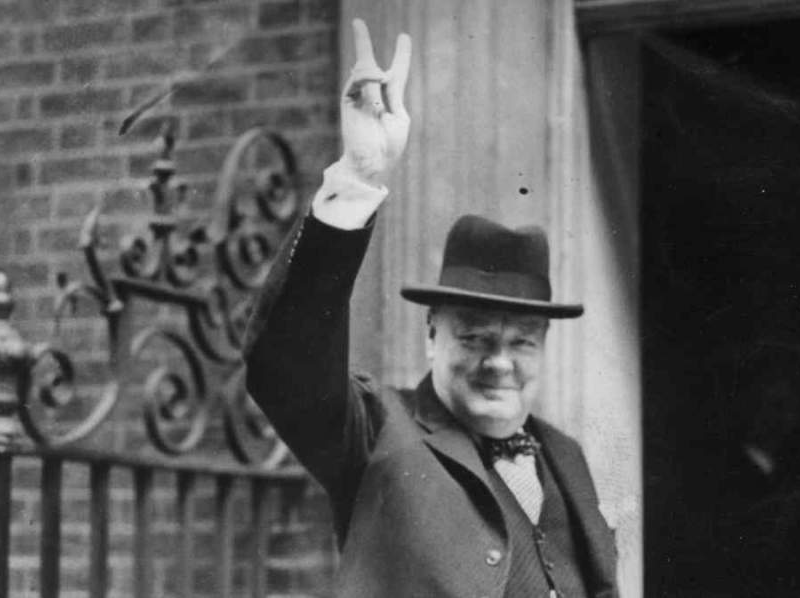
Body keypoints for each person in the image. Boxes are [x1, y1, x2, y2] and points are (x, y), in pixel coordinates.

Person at [243, 18, 618, 598]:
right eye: (474, 338)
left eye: (521, 341)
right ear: (431, 335)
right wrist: (358, 178)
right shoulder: (377, 430)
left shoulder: (565, 457)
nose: (499, 362)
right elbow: (286, 369)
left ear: (543, 347)